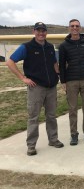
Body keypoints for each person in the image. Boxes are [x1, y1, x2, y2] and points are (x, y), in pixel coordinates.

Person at [6, 22, 64, 156]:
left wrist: (59, 75)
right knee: (33, 117)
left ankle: (53, 139)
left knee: (51, 115)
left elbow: (54, 63)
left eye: (43, 31)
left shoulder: (50, 47)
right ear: (34, 31)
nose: (41, 33)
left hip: (51, 87)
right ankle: (31, 145)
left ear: (46, 32)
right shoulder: (26, 47)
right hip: (36, 87)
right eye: (38, 30)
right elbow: (10, 62)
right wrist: (23, 78)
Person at [59, 19, 84, 145]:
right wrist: (63, 81)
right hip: (71, 81)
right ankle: (74, 134)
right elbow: (62, 65)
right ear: (69, 28)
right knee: (72, 109)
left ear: (81, 28)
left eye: (77, 26)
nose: (75, 28)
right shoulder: (63, 45)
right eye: (72, 26)